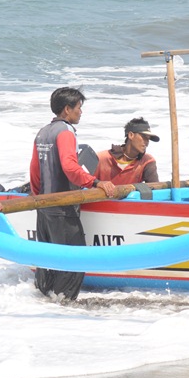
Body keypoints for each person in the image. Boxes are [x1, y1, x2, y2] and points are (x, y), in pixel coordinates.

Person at [29, 87, 116, 301]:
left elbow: (34, 171)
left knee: (48, 262)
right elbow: (69, 167)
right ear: (67, 109)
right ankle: (62, 310)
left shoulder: (42, 132)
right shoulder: (65, 132)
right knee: (74, 262)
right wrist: (95, 182)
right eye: (79, 108)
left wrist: (38, 200)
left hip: (44, 206)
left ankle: (42, 305)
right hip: (62, 207)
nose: (81, 112)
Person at [93, 117, 160, 185]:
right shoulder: (102, 158)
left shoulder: (147, 161)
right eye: (144, 137)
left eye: (148, 139)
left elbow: (155, 190)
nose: (146, 142)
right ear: (131, 135)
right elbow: (84, 182)